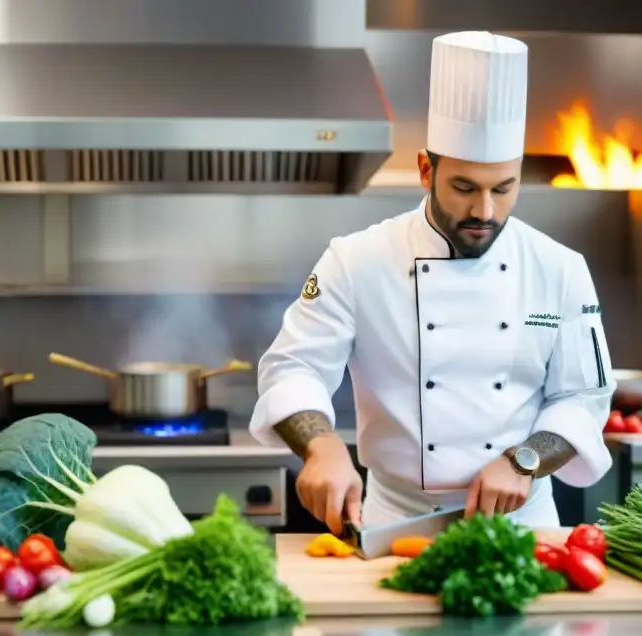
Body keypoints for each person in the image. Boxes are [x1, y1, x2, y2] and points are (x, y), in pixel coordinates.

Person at [250, 30, 615, 532]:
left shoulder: (559, 267)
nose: (485, 211)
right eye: (463, 187)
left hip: (523, 526)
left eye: (504, 189)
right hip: (394, 522)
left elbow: (583, 398)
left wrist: (524, 460)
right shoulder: (356, 260)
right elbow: (293, 368)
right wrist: (323, 447)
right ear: (426, 169)